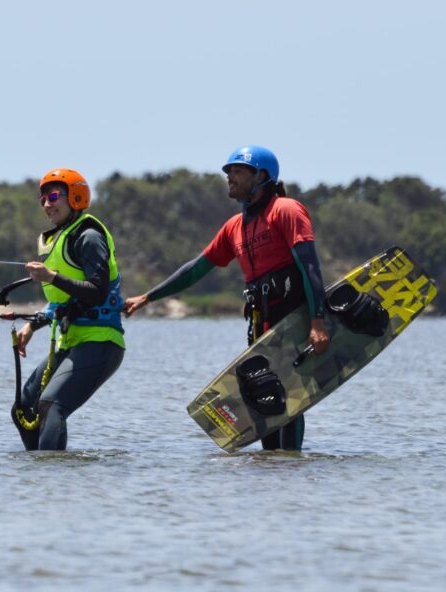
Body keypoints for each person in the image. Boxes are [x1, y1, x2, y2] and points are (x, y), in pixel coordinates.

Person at [124, 145, 329, 451]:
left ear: (261, 176)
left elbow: (309, 264)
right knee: (266, 396)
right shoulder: (235, 227)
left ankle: (293, 465)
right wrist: (148, 297)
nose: (230, 178)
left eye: (237, 172)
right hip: (261, 327)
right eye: (228, 172)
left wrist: (318, 321)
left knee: (292, 397)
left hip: (293, 319)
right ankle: (274, 469)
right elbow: (195, 270)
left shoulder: (285, 210)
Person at [15, 168, 125, 451]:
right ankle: (36, 474)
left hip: (101, 341)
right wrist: (32, 325)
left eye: (54, 196)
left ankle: (57, 483)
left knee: (51, 405)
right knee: (25, 407)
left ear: (75, 197)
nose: (47, 204)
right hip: (71, 341)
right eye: (43, 199)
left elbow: (96, 292)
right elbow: (62, 302)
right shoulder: (60, 239)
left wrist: (51, 277)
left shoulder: (88, 237)